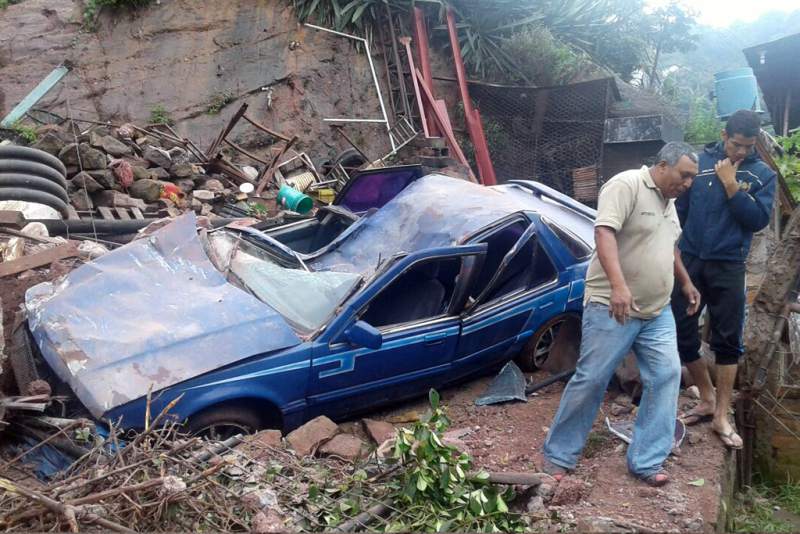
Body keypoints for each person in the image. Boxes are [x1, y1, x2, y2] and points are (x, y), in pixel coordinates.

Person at [542, 142, 700, 487]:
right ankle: (559, 457)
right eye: (684, 175)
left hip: (656, 311)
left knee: (666, 376)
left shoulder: (669, 202)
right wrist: (618, 285)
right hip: (613, 306)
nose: (688, 183)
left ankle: (646, 460)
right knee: (592, 378)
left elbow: (669, 246)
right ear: (662, 165)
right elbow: (604, 232)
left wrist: (685, 282)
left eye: (692, 178)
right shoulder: (626, 185)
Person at [671, 110, 776, 449]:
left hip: (729, 264)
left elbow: (757, 220)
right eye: (736, 144)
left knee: (728, 339)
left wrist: (732, 185)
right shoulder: (700, 162)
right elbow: (680, 210)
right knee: (683, 331)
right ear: (724, 134)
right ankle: (705, 396)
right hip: (690, 261)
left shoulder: (762, 174)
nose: (741, 152)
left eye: (748, 145)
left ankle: (722, 414)